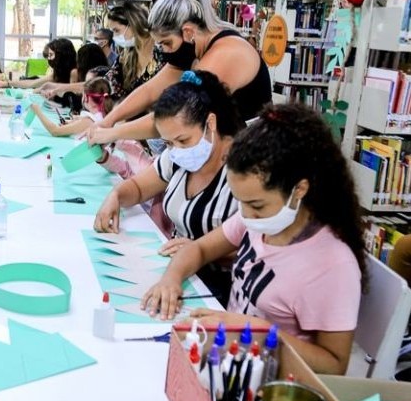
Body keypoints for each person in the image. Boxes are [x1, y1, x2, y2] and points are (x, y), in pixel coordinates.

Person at [142, 104, 366, 375]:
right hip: (231, 355)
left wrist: (253, 331)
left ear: (300, 189)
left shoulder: (333, 265)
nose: (245, 215)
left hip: (270, 383)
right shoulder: (260, 219)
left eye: (257, 205)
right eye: (240, 202)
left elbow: (334, 366)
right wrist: (171, 279)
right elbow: (199, 249)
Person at [95, 71, 243, 301]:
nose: (176, 149)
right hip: (177, 272)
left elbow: (258, 242)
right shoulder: (178, 156)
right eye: (168, 143)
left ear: (210, 123)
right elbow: (139, 188)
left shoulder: (244, 168)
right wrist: (115, 196)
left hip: (222, 288)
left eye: (183, 140)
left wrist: (201, 251)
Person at [88, 0, 272, 147]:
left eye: (167, 43)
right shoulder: (193, 48)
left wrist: (113, 133)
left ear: (188, 32)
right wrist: (108, 120)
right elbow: (151, 90)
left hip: (253, 153)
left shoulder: (226, 54)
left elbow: (177, 114)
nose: (166, 52)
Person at [106, 3, 162, 101]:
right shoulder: (125, 57)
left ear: (133, 24)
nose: (114, 37)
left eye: (116, 30)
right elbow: (106, 83)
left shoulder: (162, 54)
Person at [30, 76, 113, 137]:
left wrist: (37, 111)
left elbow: (55, 131)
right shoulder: (106, 115)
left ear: (86, 98)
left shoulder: (89, 120)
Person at [0, 38, 77, 91]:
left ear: (61, 55)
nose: (49, 59)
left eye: (51, 55)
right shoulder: (58, 74)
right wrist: (7, 83)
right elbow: (32, 83)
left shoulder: (74, 72)